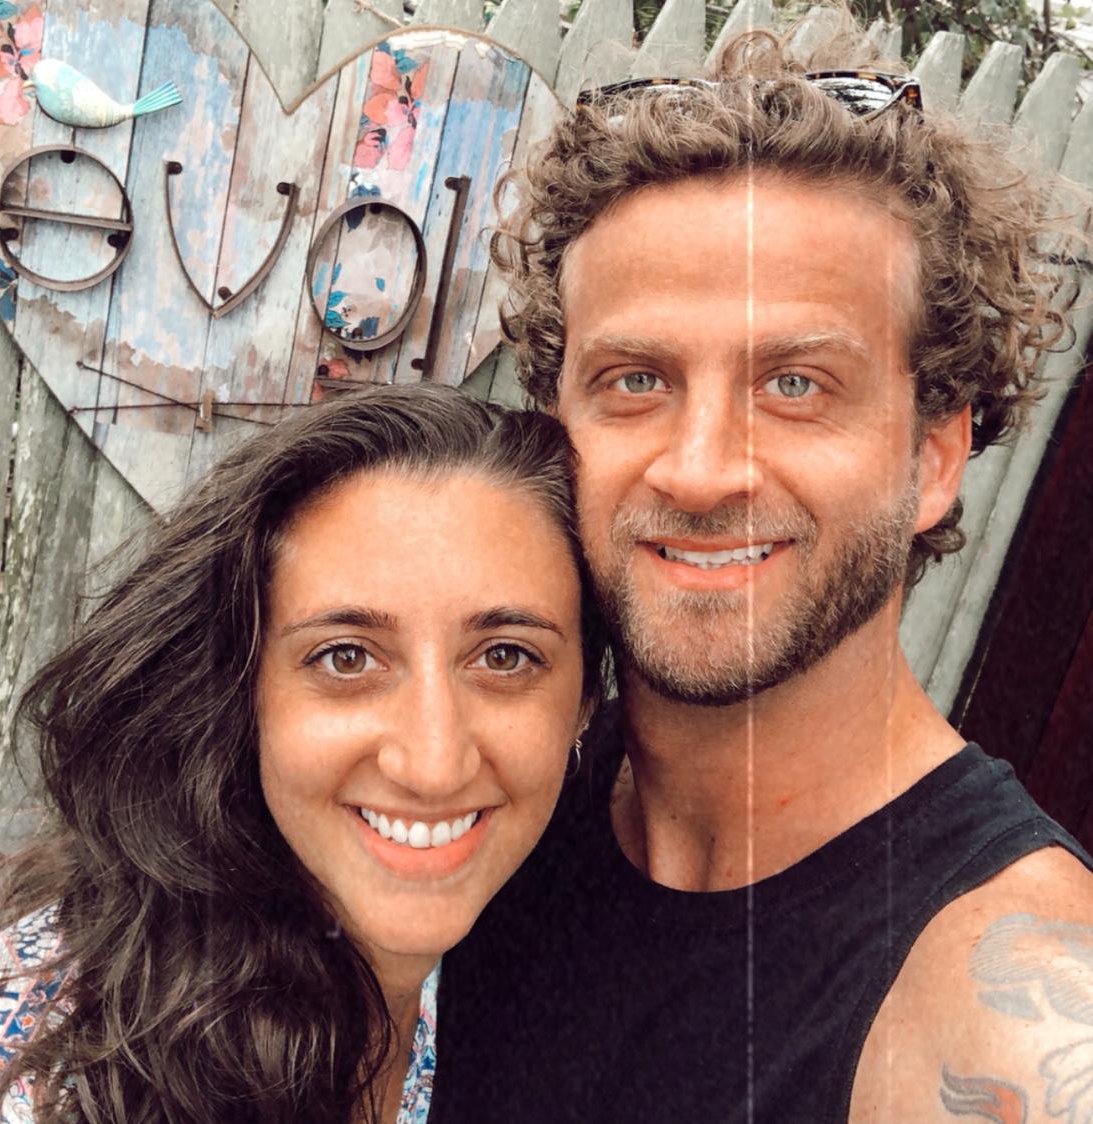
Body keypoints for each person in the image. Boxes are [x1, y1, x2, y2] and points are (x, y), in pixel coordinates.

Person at [428, 19, 1093, 1124]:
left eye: (795, 385)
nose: (697, 472)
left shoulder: (1004, 1010)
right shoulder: (473, 806)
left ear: (934, 457)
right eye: (635, 380)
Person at [0, 382, 601, 1124]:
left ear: (585, 702)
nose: (434, 764)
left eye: (504, 657)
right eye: (346, 658)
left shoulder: (534, 981)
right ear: (242, 691)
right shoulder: (37, 1063)